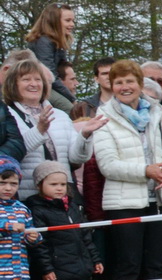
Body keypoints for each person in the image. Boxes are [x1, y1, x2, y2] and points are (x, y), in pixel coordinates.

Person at [92, 60, 162, 280]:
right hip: (124, 203)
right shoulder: (103, 116)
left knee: (157, 264)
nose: (124, 87)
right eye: (118, 82)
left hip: (160, 198)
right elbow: (108, 165)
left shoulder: (158, 112)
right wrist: (146, 171)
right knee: (127, 266)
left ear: (140, 84)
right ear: (111, 86)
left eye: (129, 81)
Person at [26, 162, 100, 280]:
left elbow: (85, 236)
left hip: (75, 266)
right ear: (39, 185)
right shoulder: (37, 210)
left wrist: (95, 259)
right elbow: (39, 245)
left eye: (62, 184)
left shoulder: (73, 207)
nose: (59, 188)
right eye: (53, 184)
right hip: (57, 268)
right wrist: (47, 269)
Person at [4, 57, 102, 199]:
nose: (34, 84)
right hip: (28, 195)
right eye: (26, 79)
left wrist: (85, 136)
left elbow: (76, 158)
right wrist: (39, 130)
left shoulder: (60, 115)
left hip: (62, 197)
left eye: (38, 80)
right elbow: (10, 154)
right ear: (13, 84)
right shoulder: (7, 115)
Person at [0, 156, 38, 280]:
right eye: (2, 182)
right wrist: (7, 227)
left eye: (13, 183)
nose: (8, 188)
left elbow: (33, 236)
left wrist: (34, 237)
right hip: (1, 273)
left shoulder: (22, 209)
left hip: (19, 272)